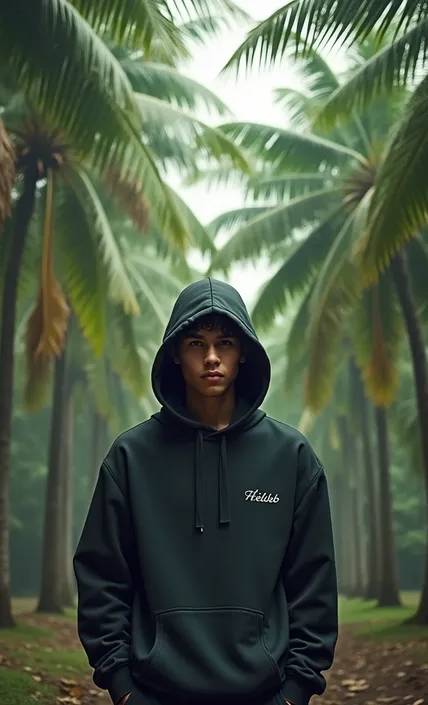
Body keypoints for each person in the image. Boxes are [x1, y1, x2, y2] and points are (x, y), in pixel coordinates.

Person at [73, 277, 338, 705]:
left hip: (266, 695)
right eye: (196, 343)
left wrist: (295, 691)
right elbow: (103, 576)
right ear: (175, 354)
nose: (211, 357)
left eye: (225, 343)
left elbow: (314, 583)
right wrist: (121, 688)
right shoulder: (132, 456)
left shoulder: (291, 457)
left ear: (244, 352)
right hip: (153, 693)